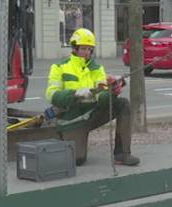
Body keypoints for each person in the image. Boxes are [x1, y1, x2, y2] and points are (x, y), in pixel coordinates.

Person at [45, 28, 140, 166]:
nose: (86, 53)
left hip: (92, 114)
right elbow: (51, 95)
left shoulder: (97, 68)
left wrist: (112, 92)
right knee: (78, 160)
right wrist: (75, 94)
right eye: (83, 48)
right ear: (75, 48)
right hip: (72, 119)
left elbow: (101, 98)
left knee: (122, 103)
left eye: (90, 49)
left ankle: (122, 154)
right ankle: (65, 138)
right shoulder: (59, 67)